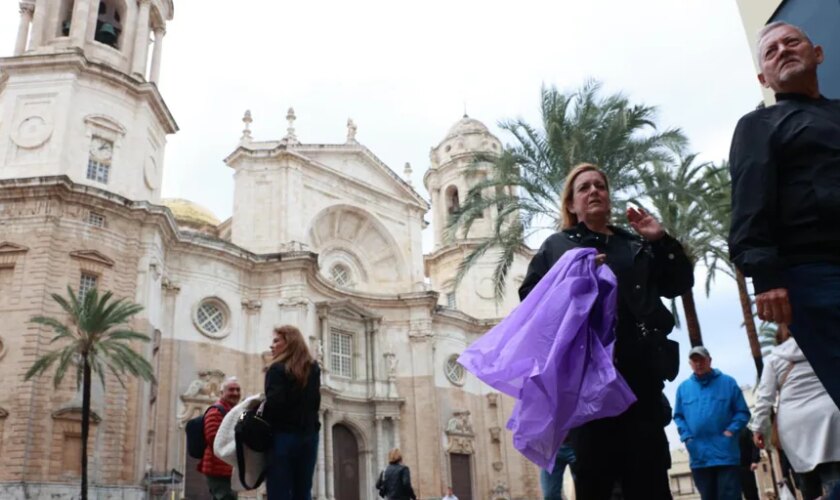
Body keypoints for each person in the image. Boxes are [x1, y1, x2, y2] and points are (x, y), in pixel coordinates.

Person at [519, 163, 694, 500]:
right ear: (571, 204)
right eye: (583, 188)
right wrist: (573, 280)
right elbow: (532, 302)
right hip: (588, 386)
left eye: (600, 185)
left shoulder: (635, 243)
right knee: (596, 478)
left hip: (639, 377)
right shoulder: (557, 247)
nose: (594, 191)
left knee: (649, 476)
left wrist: (661, 242)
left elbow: (678, 284)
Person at [728, 20, 840, 411]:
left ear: (818, 54)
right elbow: (750, 201)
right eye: (771, 51)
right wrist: (766, 277)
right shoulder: (758, 125)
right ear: (764, 77)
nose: (783, 51)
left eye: (792, 42)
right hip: (818, 275)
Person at [749, 326, 840, 499]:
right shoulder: (823, 347)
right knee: (834, 476)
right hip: (830, 418)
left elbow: (764, 397)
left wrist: (757, 428)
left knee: (808, 480)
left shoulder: (774, 358)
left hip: (796, 426)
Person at [673, 346, 751, 500]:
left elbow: (742, 412)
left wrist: (731, 431)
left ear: (709, 360)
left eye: (701, 359)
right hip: (699, 457)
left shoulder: (728, 383)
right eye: (694, 360)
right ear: (690, 364)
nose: (698, 363)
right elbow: (678, 416)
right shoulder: (683, 389)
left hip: (725, 454)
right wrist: (687, 438)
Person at [263, 325, 321, 500]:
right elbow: (315, 402)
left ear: (289, 343)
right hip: (309, 436)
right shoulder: (313, 368)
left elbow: (274, 404)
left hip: (282, 436)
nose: (272, 346)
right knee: (303, 490)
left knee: (278, 490)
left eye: (276, 341)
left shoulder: (276, 369)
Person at [198, 376, 242, 500]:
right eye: (231, 390)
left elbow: (242, 425)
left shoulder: (235, 411)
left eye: (238, 390)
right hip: (218, 469)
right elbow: (213, 439)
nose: (235, 393)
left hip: (228, 468)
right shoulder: (216, 411)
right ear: (222, 393)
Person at [738, 427, 761, 500]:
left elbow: (754, 445)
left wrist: (754, 460)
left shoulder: (744, 430)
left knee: (751, 493)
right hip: (730, 468)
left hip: (745, 466)